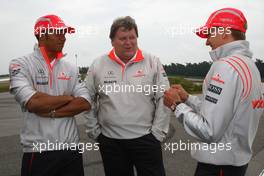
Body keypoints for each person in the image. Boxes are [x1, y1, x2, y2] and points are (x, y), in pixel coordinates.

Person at [164, 8, 263, 176]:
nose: (207, 41)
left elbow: (209, 130)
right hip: (236, 163)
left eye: (209, 34)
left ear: (224, 33)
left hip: (218, 167)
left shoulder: (225, 67)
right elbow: (220, 109)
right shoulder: (249, 65)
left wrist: (177, 105)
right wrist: (188, 98)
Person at [84, 16, 170, 176]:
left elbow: (164, 97)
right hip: (111, 142)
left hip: (146, 139)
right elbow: (87, 98)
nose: (129, 42)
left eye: (132, 37)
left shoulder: (152, 61)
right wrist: (94, 131)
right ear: (112, 41)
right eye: (123, 38)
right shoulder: (98, 64)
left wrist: (157, 134)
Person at [9, 14, 91, 176]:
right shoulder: (20, 64)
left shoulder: (70, 68)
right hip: (38, 149)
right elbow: (33, 103)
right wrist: (68, 98)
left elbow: (85, 102)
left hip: (70, 148)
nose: (63, 37)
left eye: (64, 33)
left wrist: (52, 111)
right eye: (57, 32)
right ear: (41, 35)